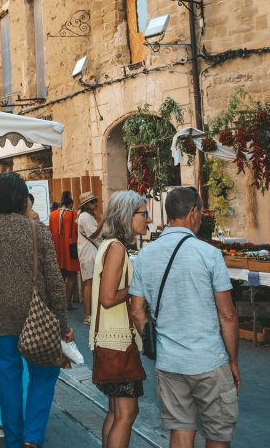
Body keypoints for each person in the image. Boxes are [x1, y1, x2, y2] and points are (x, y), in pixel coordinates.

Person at [0, 173, 73, 448]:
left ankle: (14, 441)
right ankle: (33, 438)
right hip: (37, 317)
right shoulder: (38, 231)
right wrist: (62, 324)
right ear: (24, 198)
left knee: (8, 380)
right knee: (45, 373)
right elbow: (55, 282)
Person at [130, 187, 239, 448]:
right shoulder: (209, 254)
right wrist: (233, 361)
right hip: (209, 359)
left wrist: (155, 342)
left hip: (169, 362)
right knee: (217, 433)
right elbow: (227, 314)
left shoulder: (145, 255)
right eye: (200, 212)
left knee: (180, 430)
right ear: (193, 213)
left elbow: (136, 311)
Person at [90, 190, 148, 448]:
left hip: (111, 341)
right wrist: (137, 286)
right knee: (126, 413)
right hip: (118, 343)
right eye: (143, 214)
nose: (147, 219)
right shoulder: (116, 248)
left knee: (116, 412)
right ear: (127, 216)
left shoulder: (110, 245)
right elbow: (107, 298)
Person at [49, 191, 80, 309]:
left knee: (60, 276)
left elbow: (51, 233)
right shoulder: (74, 214)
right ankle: (68, 302)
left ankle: (59, 303)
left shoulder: (52, 215)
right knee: (72, 276)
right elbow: (77, 232)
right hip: (71, 249)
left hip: (57, 249)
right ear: (70, 203)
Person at [76, 191, 104, 325]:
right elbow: (93, 235)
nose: (95, 203)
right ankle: (87, 315)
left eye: (95, 201)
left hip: (89, 252)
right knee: (89, 283)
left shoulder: (87, 216)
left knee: (90, 283)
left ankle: (90, 313)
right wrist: (103, 221)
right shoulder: (85, 216)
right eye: (92, 202)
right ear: (86, 205)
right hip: (88, 253)